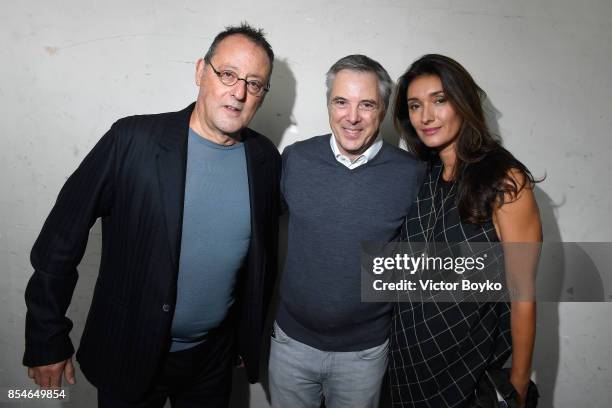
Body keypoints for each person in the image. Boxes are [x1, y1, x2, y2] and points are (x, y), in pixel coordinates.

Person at [23, 23, 281, 408]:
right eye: (227, 74)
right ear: (200, 71)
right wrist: (46, 336)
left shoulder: (264, 160)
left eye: (254, 83)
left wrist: (246, 335)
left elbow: (262, 261)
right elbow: (60, 240)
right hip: (129, 351)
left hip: (212, 361)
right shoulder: (131, 141)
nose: (239, 92)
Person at [268, 54, 425, 408]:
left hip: (365, 353)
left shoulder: (412, 174)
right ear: (328, 104)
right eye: (341, 102)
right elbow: (256, 232)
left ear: (383, 109)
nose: (351, 117)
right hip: (292, 344)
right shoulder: (296, 159)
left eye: (366, 104)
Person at [388, 54, 541, 407]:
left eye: (439, 100)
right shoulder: (421, 176)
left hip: (467, 379)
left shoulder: (505, 181)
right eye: (414, 105)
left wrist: (515, 389)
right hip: (405, 369)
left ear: (463, 102)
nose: (425, 116)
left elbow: (523, 297)